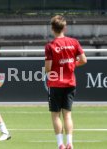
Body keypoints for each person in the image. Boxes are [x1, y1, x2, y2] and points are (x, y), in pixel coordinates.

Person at [45, 15, 87, 149]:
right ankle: (70, 143)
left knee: (55, 115)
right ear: (65, 27)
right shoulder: (74, 42)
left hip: (56, 84)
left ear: (52, 29)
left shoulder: (50, 46)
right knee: (67, 114)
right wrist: (71, 64)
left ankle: (60, 144)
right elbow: (84, 60)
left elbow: (48, 68)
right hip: (70, 83)